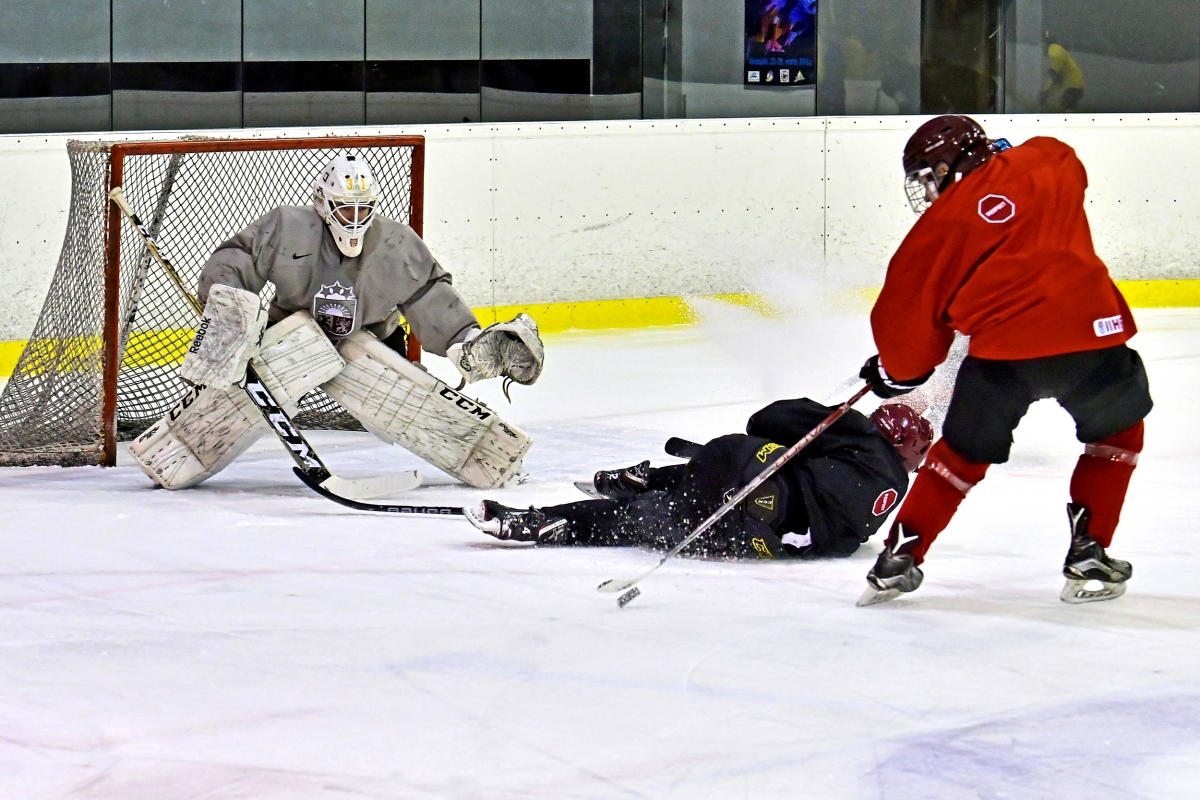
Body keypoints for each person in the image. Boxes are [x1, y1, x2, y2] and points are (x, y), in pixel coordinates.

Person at [857, 115, 1151, 606]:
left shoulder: (940, 227)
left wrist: (894, 371)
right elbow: (1064, 160)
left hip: (1005, 355)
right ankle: (1090, 549)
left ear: (949, 167)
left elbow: (909, 321)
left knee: (960, 456)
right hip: (1091, 338)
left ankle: (900, 556)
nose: (927, 193)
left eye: (929, 178)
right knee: (1116, 435)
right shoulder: (1048, 161)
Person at [130, 155, 544, 492]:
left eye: (364, 208)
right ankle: (172, 452)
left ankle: (490, 457)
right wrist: (228, 304)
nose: (355, 218)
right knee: (260, 385)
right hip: (290, 336)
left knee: (397, 416)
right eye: (346, 208)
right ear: (322, 203)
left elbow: (429, 295)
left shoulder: (395, 242)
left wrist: (464, 340)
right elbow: (237, 258)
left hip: (370, 343)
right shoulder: (287, 227)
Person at [466, 398, 932, 562]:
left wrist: (814, 434)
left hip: (743, 468)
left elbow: (766, 419)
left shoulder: (863, 433)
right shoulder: (889, 502)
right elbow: (835, 546)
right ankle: (537, 526)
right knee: (638, 522)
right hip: (755, 535)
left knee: (716, 469)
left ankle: (646, 478)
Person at [1041, 35, 1085, 112]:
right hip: (1076, 88)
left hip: (1073, 88)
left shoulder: (1054, 49)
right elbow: (1058, 81)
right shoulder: (1059, 54)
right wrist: (1047, 92)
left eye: (1043, 45)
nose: (1042, 48)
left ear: (1046, 44)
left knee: (1059, 111)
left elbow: (1056, 79)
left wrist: (1046, 92)